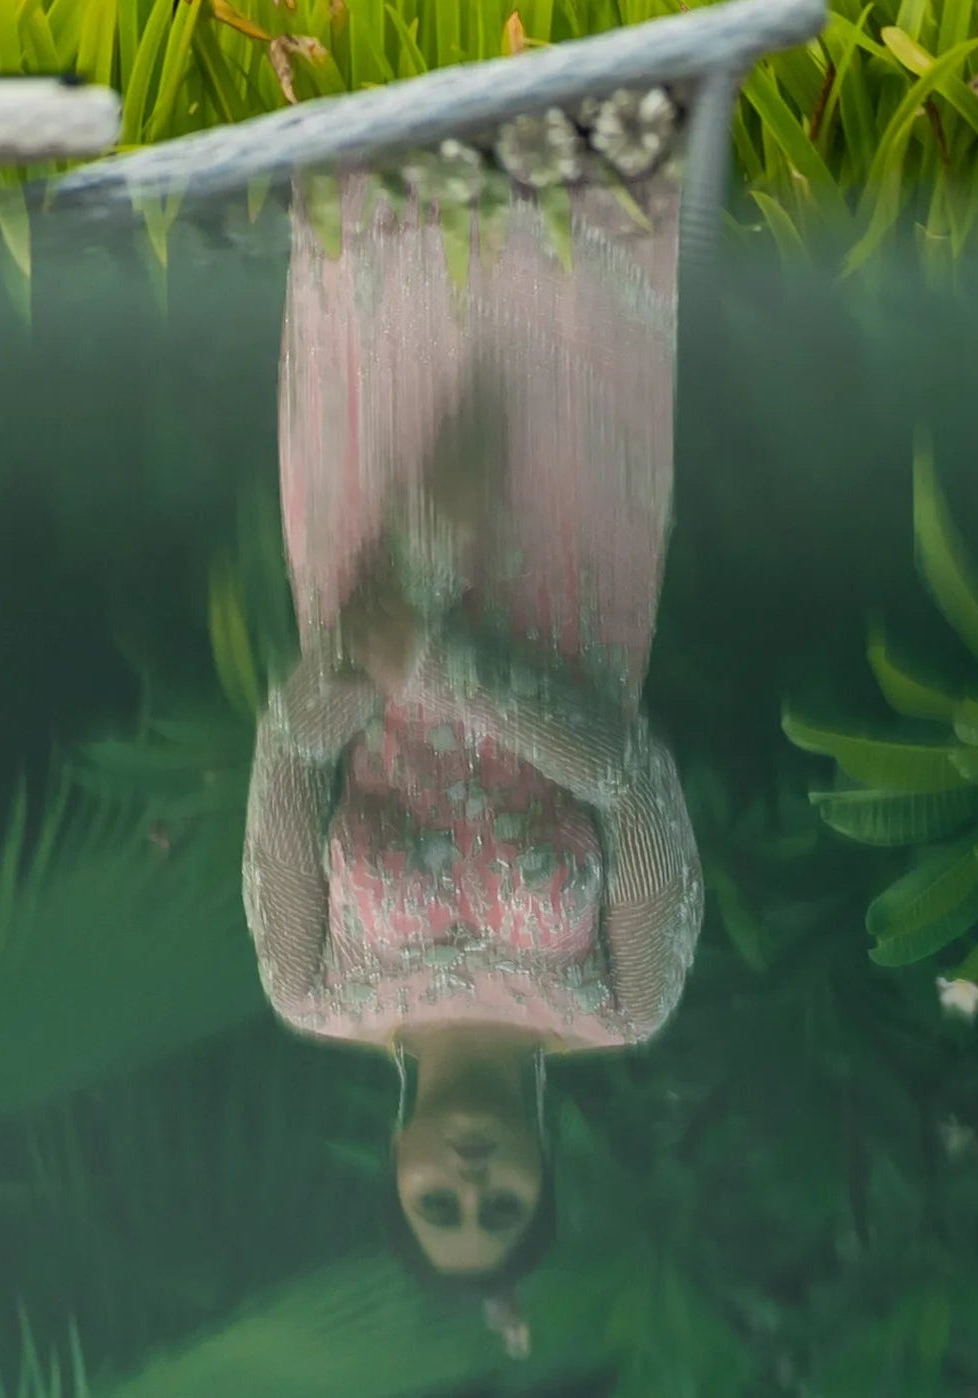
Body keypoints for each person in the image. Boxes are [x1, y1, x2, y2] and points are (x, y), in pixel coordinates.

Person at [246, 151, 699, 1322]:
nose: (468, 1183)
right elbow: (641, 782)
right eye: (499, 1208)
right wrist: (443, 662)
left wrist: (397, 599)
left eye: (436, 1207)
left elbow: (288, 757)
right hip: (564, 576)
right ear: (545, 1175)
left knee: (381, 242)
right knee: (562, 262)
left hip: (369, 569)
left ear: (393, 1177)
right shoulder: (621, 1000)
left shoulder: (312, 986)